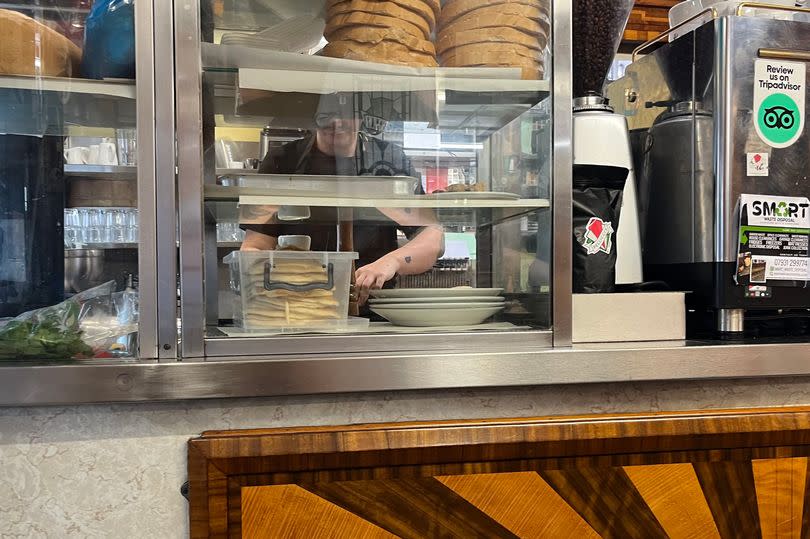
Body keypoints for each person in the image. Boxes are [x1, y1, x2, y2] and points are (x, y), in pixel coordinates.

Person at [241, 95, 444, 304]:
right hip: (296, 304)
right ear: (312, 116)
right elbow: (256, 245)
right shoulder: (282, 161)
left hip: (374, 306)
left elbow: (432, 238)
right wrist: (262, 280)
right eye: (326, 115)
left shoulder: (388, 159)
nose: (337, 123)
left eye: (348, 114)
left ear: (362, 116)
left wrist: (391, 262)